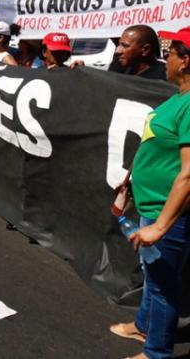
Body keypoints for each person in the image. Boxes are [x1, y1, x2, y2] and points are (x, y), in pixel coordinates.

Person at [109, 27, 190, 359]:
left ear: (185, 61)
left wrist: (160, 226)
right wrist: (131, 181)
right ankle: (144, 325)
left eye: (170, 53)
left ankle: (156, 352)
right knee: (153, 274)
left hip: (169, 214)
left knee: (163, 287)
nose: (165, 58)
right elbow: (155, 146)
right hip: (151, 205)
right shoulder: (178, 98)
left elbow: (189, 173)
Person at [72, 25, 166, 80]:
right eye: (119, 45)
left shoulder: (164, 76)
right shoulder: (118, 67)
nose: (118, 51)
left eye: (125, 46)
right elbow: (105, 85)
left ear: (145, 50)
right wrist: (84, 71)